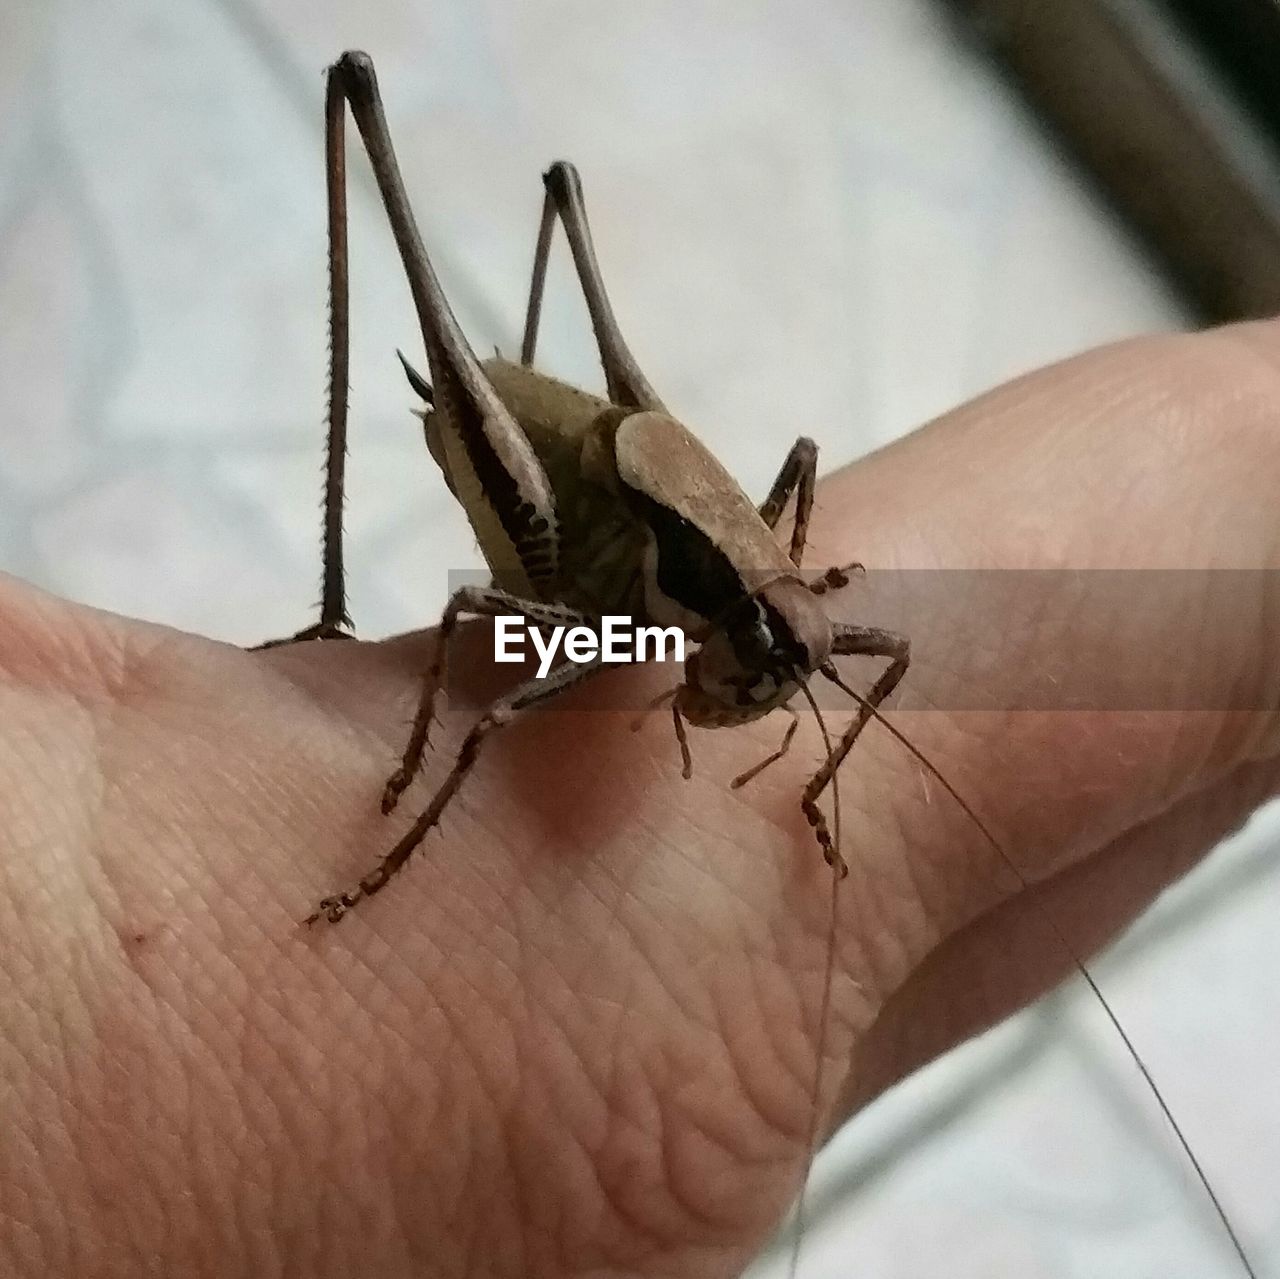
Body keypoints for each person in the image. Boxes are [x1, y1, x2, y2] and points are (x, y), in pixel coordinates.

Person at [1, 321, 1276, 1277]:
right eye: (765, 658)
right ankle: (329, 602)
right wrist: (396, 792)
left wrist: (816, 772)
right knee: (502, 674)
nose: (771, 693)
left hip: (701, 534)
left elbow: (866, 632)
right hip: (552, 501)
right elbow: (476, 636)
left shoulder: (795, 621)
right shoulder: (613, 635)